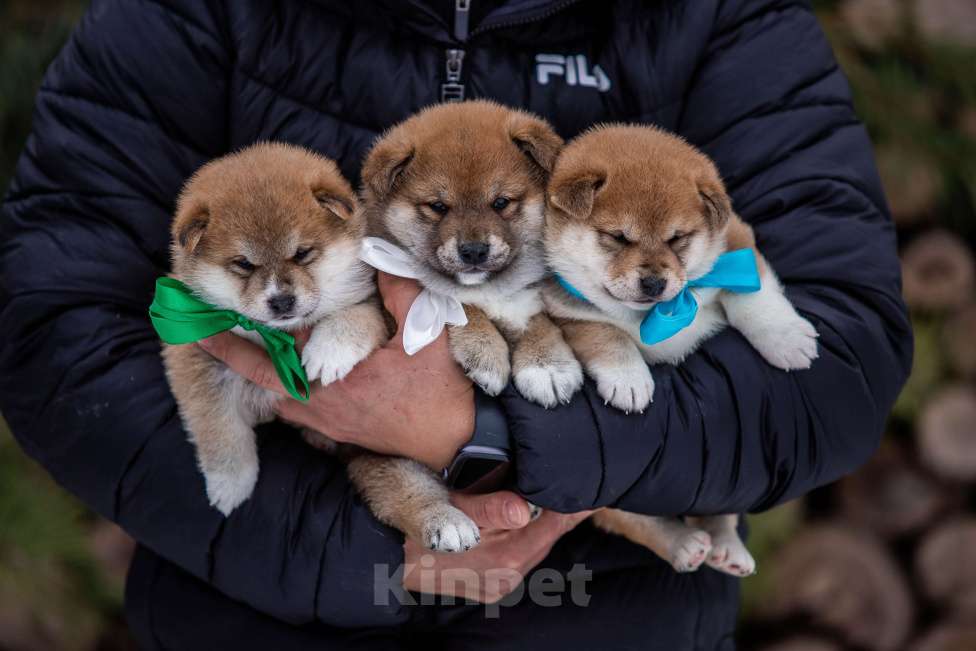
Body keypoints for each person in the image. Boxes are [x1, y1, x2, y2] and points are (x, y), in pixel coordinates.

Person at [0, 1, 912, 649]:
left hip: (609, 619)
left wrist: (489, 437)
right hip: (258, 606)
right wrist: (362, 548)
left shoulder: (718, 18)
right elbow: (53, 328)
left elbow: (845, 359)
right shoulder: (195, 15)